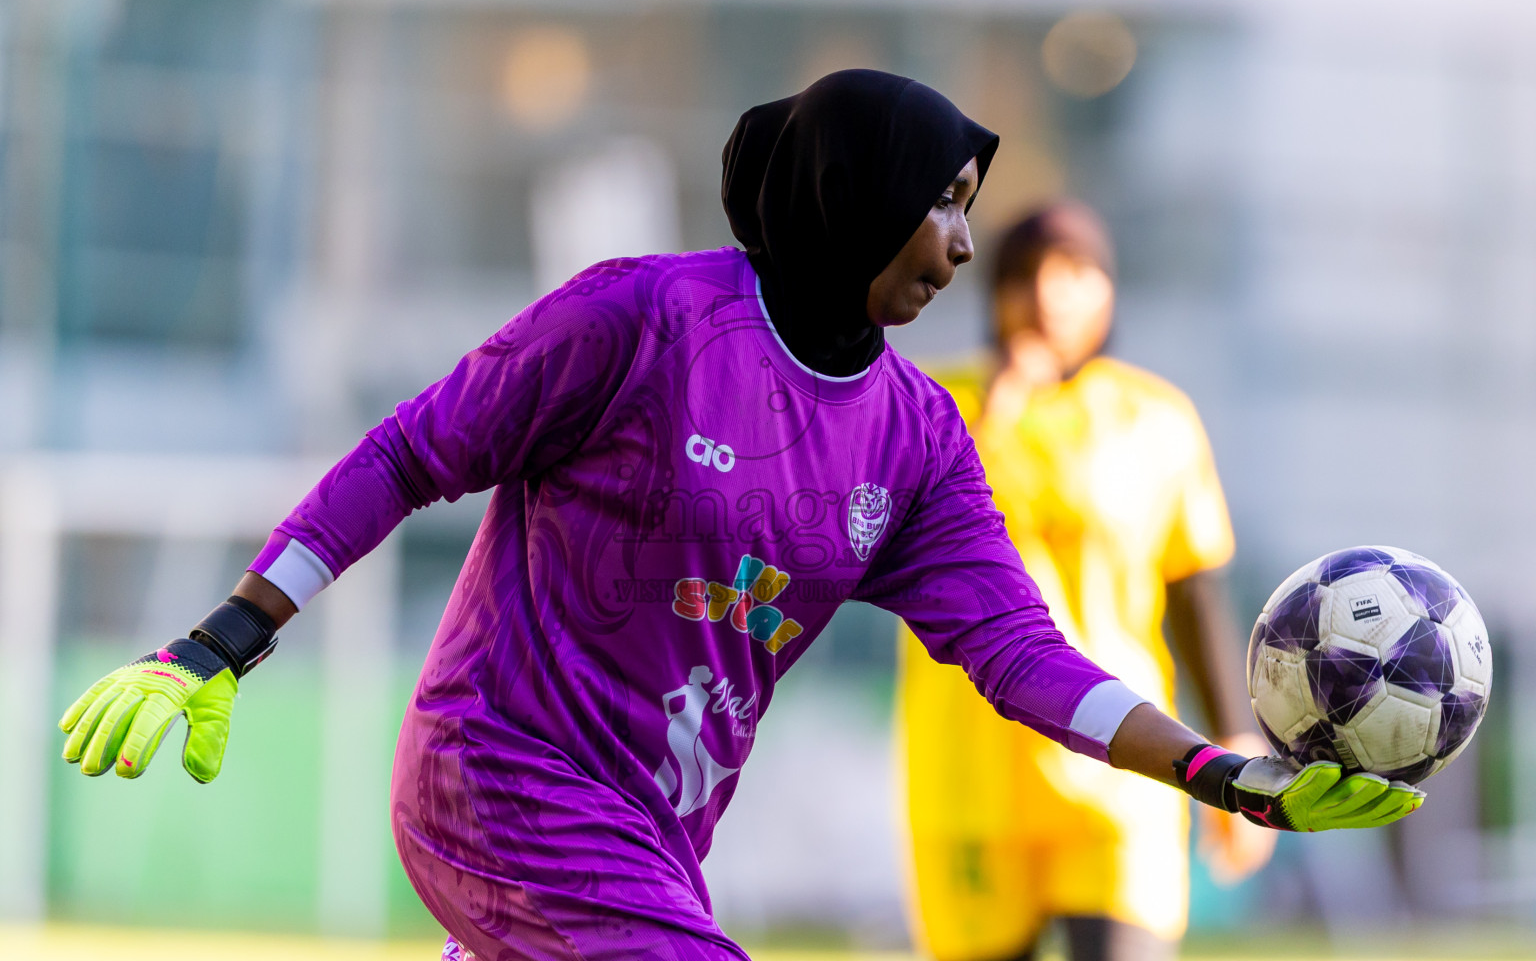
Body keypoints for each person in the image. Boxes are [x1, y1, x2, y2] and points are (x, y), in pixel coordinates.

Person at [57, 72, 1421, 961]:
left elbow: (1028, 658)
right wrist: (223, 638)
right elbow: (412, 453)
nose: (958, 247)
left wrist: (1212, 770)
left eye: (969, 215)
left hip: (652, 835)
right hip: (500, 776)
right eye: (943, 208)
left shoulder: (919, 438)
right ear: (857, 195)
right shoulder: (640, 321)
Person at [898, 203, 1276, 961]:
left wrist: (1237, 741)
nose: (1047, 295)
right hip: (970, 781)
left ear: (1108, 289)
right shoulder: (933, 405)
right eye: (1025, 276)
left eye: (1074, 272)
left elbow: (1194, 591)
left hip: (1121, 772)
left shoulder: (1155, 419)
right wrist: (1003, 404)